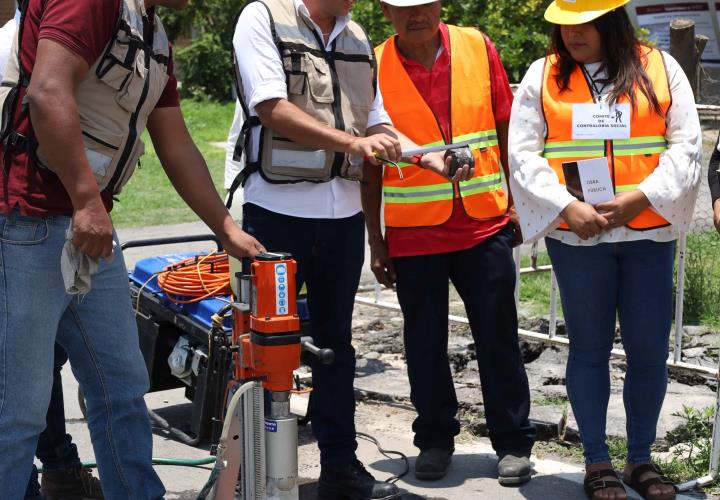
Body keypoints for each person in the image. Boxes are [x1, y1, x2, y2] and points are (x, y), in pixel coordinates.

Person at [0, 0, 265, 498]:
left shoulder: (151, 31)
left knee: (121, 386)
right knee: (17, 411)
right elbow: (47, 89)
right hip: (27, 223)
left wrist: (225, 227)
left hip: (85, 228)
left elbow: (176, 141)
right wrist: (85, 199)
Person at [230, 0, 468, 498]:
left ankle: (340, 466)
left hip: (340, 218)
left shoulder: (356, 37)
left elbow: (376, 123)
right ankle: (254, 472)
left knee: (336, 347)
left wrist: (428, 160)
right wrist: (350, 142)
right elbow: (271, 107)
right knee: (266, 346)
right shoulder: (263, 17)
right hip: (276, 211)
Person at [509, 1, 701, 499]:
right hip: (579, 238)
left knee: (649, 352)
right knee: (589, 350)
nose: (572, 34)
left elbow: (686, 145)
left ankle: (641, 460)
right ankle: (597, 462)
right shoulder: (543, 75)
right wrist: (565, 206)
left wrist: (641, 197)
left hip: (647, 234)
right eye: (564, 24)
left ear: (612, 19)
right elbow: (523, 153)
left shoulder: (660, 66)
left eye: (584, 22)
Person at [361, 0, 535, 485]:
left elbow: (506, 130)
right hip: (415, 234)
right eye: (404, 8)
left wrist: (516, 204)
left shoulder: (478, 46)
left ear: (440, 5)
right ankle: (435, 440)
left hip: (483, 223)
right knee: (423, 342)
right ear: (385, 11)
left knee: (498, 337)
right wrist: (376, 240)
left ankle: (513, 443)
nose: (416, 15)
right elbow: (369, 164)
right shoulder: (372, 64)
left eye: (424, 5)